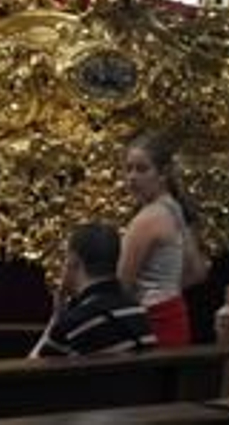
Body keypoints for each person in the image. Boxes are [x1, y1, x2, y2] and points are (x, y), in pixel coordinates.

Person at [118, 133, 207, 347]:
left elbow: (121, 284)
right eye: (128, 168)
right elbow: (197, 272)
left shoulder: (148, 219)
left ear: (163, 174)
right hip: (175, 314)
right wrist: (166, 288)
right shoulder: (175, 209)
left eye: (142, 169)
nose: (132, 177)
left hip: (152, 321)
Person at [31, 223, 156, 357]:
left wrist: (56, 318)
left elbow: (30, 371)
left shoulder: (73, 324)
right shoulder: (138, 312)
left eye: (65, 257)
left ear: (73, 262)